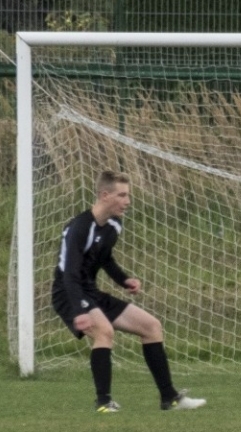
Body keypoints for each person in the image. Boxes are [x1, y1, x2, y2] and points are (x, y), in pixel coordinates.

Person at [54, 171, 205, 413]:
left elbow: (105, 258)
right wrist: (78, 309)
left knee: (151, 326)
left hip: (90, 291)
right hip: (68, 292)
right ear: (105, 195)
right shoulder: (79, 228)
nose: (128, 201)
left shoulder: (113, 224)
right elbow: (70, 274)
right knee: (104, 331)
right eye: (122, 195)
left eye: (128, 195)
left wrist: (124, 280)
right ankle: (103, 402)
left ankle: (170, 398)